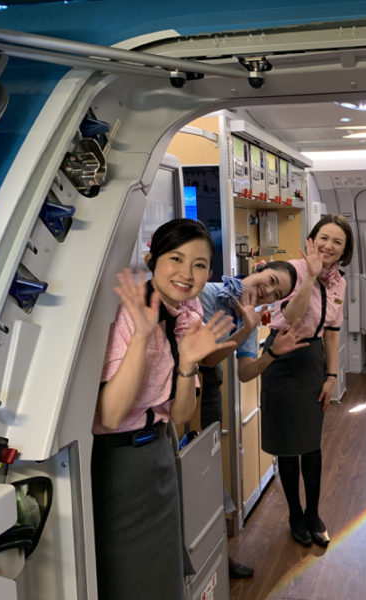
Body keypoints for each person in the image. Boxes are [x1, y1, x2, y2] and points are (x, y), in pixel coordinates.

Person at [91, 218, 236, 600]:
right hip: (117, 464)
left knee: (165, 574)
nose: (187, 274)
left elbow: (181, 414)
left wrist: (188, 364)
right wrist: (141, 338)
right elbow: (110, 416)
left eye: (200, 264)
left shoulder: (187, 315)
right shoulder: (128, 312)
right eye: (176, 258)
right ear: (151, 258)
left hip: (158, 453)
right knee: (129, 578)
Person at [197, 260, 308, 578]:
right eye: (270, 279)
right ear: (256, 269)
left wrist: (272, 354)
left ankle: (216, 554)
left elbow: (245, 373)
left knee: (206, 473)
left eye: (277, 292)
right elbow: (205, 357)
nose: (268, 290)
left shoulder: (250, 315)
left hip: (208, 390)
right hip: (185, 387)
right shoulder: (208, 293)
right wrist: (246, 326)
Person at [261, 214, 354, 548]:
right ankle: (294, 514)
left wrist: (331, 376)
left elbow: (331, 332)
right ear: (312, 240)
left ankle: (313, 514)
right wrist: (310, 277)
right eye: (323, 238)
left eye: (337, 242)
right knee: (288, 447)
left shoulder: (340, 283)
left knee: (311, 444)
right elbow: (291, 317)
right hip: (283, 356)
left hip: (312, 361)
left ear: (345, 251)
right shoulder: (293, 270)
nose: (328, 245)